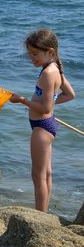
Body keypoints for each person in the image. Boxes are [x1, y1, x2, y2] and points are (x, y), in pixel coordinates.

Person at [10, 29, 75, 212]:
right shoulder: (55, 68)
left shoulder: (48, 74)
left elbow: (45, 108)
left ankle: (40, 216)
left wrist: (22, 101)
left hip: (41, 127)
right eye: (30, 54)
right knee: (46, 174)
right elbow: (70, 95)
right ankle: (44, 214)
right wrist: (51, 103)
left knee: (37, 176)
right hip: (47, 125)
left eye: (35, 54)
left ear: (50, 52)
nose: (32, 58)